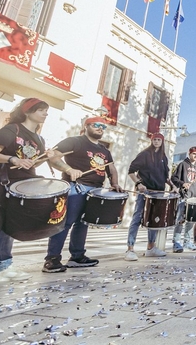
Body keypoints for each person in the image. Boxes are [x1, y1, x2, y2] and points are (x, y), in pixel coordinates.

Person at [44, 116, 121, 273]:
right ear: (86, 126)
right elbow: (53, 156)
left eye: (103, 126)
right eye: (96, 125)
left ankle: (77, 257)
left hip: (95, 191)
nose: (100, 128)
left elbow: (111, 168)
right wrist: (68, 169)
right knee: (65, 223)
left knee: (83, 223)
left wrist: (115, 184)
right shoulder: (75, 141)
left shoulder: (105, 150)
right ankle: (52, 260)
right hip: (75, 188)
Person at [0, 98, 51, 281]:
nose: (45, 113)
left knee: (9, 225)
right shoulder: (13, 129)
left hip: (21, 186)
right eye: (41, 110)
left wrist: (46, 157)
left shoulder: (38, 138)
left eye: (46, 110)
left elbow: (33, 163)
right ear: (28, 111)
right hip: (3, 183)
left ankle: (3, 265)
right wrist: (13, 159)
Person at [124, 133, 171, 261]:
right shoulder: (144, 154)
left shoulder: (163, 157)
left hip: (159, 193)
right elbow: (131, 171)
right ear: (151, 141)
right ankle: (130, 248)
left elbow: (165, 177)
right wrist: (138, 183)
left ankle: (151, 247)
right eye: (154, 140)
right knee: (137, 217)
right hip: (145, 192)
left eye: (158, 140)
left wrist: (173, 186)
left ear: (162, 142)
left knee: (155, 220)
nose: (156, 142)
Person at [170, 146, 196, 252]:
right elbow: (174, 178)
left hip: (194, 198)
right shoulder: (183, 165)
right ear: (189, 154)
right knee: (180, 220)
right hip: (184, 196)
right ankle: (176, 243)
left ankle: (187, 242)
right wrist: (183, 184)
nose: (195, 156)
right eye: (193, 154)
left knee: (190, 220)